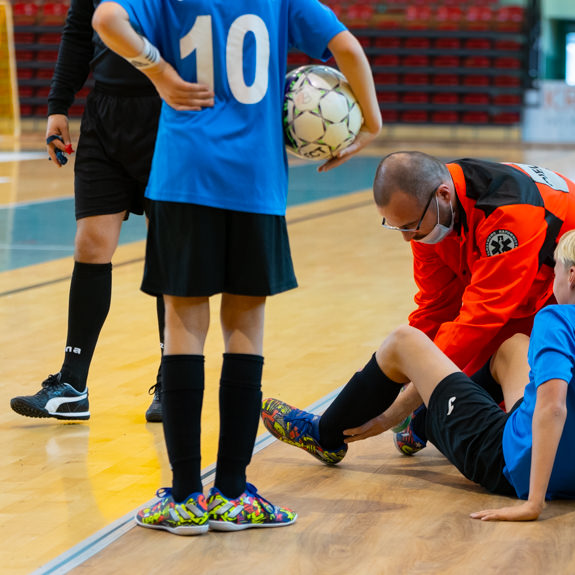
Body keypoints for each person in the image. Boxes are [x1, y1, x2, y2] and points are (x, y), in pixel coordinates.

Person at [92, 0, 381, 535]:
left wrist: (159, 72)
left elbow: (106, 19)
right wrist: (373, 119)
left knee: (182, 330)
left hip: (183, 177)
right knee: (245, 332)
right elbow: (347, 48)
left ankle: (183, 497)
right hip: (255, 183)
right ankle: (231, 493)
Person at [261, 226, 575, 521]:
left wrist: (532, 502)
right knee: (511, 346)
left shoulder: (557, 321)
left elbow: (551, 410)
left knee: (404, 342)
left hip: (511, 465)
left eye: (555, 271)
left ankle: (338, 433)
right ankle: (430, 418)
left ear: (572, 275)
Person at [352, 152, 575, 454]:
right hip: (541, 286)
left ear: (443, 196)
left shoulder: (508, 210)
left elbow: (481, 317)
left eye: (410, 225)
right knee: (476, 379)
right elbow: (434, 308)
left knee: (515, 386)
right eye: (398, 227)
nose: (408, 237)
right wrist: (400, 374)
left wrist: (402, 405)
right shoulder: (427, 219)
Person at [9, 0, 166, 423]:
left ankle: (174, 377)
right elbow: (78, 31)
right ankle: (73, 385)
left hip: (170, 117)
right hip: (104, 115)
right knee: (91, 244)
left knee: (170, 248)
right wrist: (58, 105)